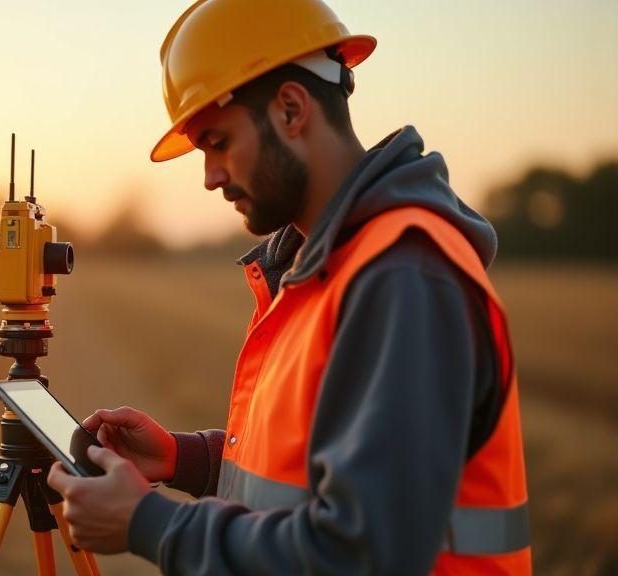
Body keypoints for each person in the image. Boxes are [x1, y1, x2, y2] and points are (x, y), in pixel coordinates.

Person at [46, 0, 531, 573]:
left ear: (292, 110)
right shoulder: (324, 266)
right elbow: (312, 474)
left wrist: (149, 523)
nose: (210, 177)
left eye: (218, 142)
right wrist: (187, 460)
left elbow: (362, 553)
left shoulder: (402, 276)